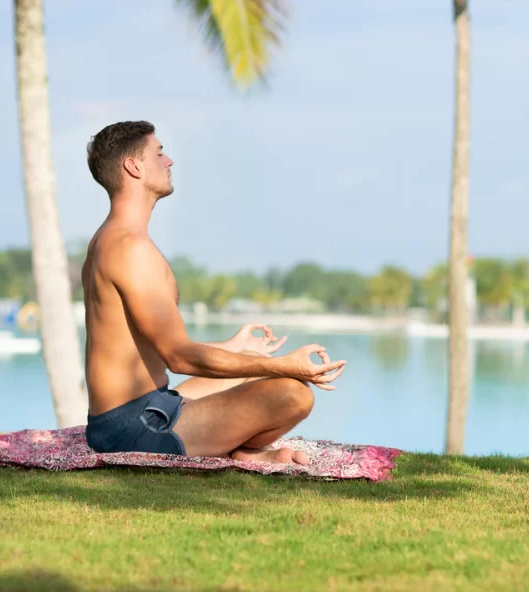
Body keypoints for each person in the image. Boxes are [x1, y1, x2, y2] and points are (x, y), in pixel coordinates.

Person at [78, 120, 346, 465]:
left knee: (257, 366)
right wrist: (286, 366)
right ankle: (247, 453)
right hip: (135, 428)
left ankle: (242, 448)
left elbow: (152, 350)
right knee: (293, 394)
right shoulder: (130, 248)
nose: (169, 161)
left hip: (146, 408)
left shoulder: (110, 239)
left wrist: (235, 348)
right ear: (133, 166)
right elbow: (180, 358)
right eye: (158, 153)